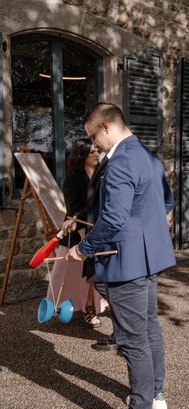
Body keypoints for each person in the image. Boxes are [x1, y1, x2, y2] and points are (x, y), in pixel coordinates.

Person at [65, 102, 176, 408]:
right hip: (149, 258)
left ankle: (141, 403)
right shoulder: (148, 157)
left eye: (94, 137)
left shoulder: (121, 161)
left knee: (132, 339)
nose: (94, 145)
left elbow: (114, 219)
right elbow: (166, 202)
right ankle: (156, 395)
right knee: (148, 327)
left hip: (127, 263)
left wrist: (82, 248)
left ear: (105, 127)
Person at [47, 139, 108, 328]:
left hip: (96, 232)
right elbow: (73, 212)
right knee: (85, 277)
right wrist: (84, 241)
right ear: (82, 157)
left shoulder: (100, 176)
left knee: (94, 276)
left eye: (97, 150)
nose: (97, 154)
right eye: (92, 152)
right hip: (79, 234)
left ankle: (92, 306)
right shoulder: (73, 180)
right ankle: (88, 310)